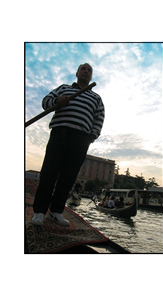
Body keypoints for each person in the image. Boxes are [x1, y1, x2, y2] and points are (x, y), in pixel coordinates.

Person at [31, 63, 105, 226]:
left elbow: (99, 118)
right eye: (83, 69)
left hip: (81, 139)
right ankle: (39, 212)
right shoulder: (64, 88)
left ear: (91, 76)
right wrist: (58, 100)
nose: (86, 71)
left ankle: (56, 212)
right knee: (49, 172)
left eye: (89, 70)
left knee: (68, 176)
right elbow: (46, 102)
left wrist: (91, 137)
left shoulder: (96, 98)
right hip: (60, 134)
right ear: (77, 73)